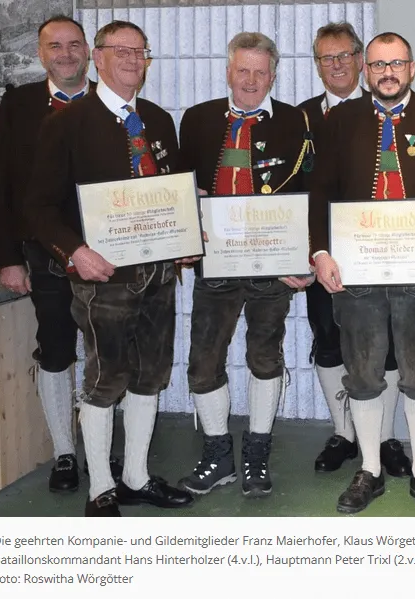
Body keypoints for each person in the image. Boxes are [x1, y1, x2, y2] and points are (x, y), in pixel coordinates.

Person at [23, 20, 194, 516]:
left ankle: (136, 477)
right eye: (121, 51)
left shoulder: (157, 119)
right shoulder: (67, 122)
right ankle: (100, 488)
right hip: (104, 278)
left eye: (140, 52)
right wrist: (75, 252)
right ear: (97, 59)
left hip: (159, 274)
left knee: (150, 375)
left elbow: (173, 192)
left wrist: (187, 237)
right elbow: (38, 207)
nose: (132, 60)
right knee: (105, 379)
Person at [310, 32, 415, 515]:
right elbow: (322, 190)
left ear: (412, 68)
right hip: (356, 273)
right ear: (366, 70)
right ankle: (370, 469)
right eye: (378, 64)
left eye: (396, 63)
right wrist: (321, 252)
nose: (387, 73)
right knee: (362, 374)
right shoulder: (341, 121)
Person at [175, 32, 313, 499]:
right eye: (243, 70)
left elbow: (309, 192)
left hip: (272, 267)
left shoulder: (295, 121)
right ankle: (218, 455)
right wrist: (185, 229)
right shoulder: (197, 119)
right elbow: (182, 189)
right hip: (215, 263)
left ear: (273, 76)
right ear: (228, 72)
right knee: (203, 361)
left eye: (260, 72)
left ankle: (257, 453)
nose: (251, 80)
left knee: (264, 357)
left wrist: (304, 254)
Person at [298, 22, 411, 479]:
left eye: (345, 55)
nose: (337, 64)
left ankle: (383, 438)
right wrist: (310, 250)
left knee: (387, 346)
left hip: (382, 252)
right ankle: (344, 432)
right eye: (327, 57)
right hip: (326, 254)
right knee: (328, 340)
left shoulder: (388, 111)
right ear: (317, 65)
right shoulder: (301, 118)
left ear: (361, 63)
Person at [0, 15, 97, 494]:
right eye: (55, 46)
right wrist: (8, 257)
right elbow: (3, 182)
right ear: (40, 53)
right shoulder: (18, 104)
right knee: (55, 349)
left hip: (105, 252)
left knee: (106, 350)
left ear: (88, 51)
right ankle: (64, 452)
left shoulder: (110, 101)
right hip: (43, 251)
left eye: (74, 44)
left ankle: (100, 445)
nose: (66, 54)